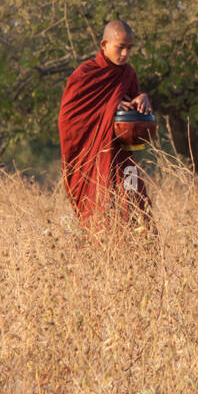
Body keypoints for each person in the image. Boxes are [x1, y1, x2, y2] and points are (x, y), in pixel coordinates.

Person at [58, 20, 155, 235]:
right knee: (100, 214)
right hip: (93, 157)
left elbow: (129, 111)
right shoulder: (84, 75)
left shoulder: (128, 74)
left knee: (137, 208)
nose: (125, 53)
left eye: (129, 48)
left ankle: (142, 260)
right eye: (120, 47)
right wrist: (110, 107)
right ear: (104, 45)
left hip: (122, 157)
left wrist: (142, 99)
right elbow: (68, 119)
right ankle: (103, 259)